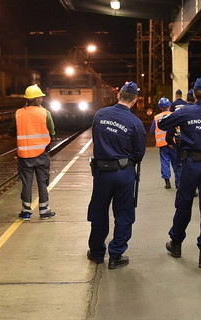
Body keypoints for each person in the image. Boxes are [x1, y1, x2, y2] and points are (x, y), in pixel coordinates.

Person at [158, 77, 201, 268]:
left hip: (190, 164)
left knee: (184, 205)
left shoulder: (185, 111)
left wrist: (175, 118)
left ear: (194, 94)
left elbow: (163, 125)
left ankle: (176, 244)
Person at [87, 81, 146, 270]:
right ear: (135, 100)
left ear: (118, 95)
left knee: (99, 211)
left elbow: (95, 140)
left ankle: (96, 253)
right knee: (123, 213)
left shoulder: (100, 115)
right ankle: (116, 255)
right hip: (124, 173)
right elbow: (139, 153)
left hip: (102, 173)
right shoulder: (135, 123)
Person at [8, 84, 56, 221]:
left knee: (26, 183)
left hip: (24, 156)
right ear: (36, 99)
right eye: (40, 97)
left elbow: (11, 131)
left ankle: (26, 212)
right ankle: (44, 211)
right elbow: (52, 131)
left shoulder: (18, 113)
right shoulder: (45, 113)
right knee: (42, 182)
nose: (42, 98)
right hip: (41, 154)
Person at [150, 97, 181, 189]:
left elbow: (152, 131)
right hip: (173, 144)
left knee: (164, 162)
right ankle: (178, 183)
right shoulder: (174, 115)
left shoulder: (156, 118)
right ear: (170, 106)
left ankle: (167, 182)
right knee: (176, 163)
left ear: (160, 107)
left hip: (162, 144)